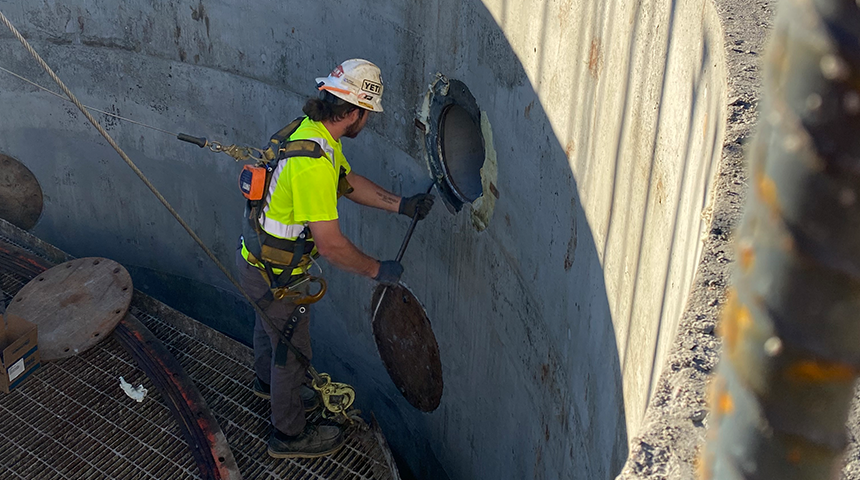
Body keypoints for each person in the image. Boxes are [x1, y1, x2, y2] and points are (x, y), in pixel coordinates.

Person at [235, 58, 435, 459]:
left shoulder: (311, 135)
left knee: (269, 333)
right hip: (281, 276)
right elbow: (330, 245)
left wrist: (402, 205)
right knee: (293, 352)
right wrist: (378, 270)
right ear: (355, 112)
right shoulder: (311, 164)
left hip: (257, 263)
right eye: (368, 115)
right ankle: (289, 435)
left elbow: (348, 183)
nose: (367, 122)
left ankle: (269, 387)